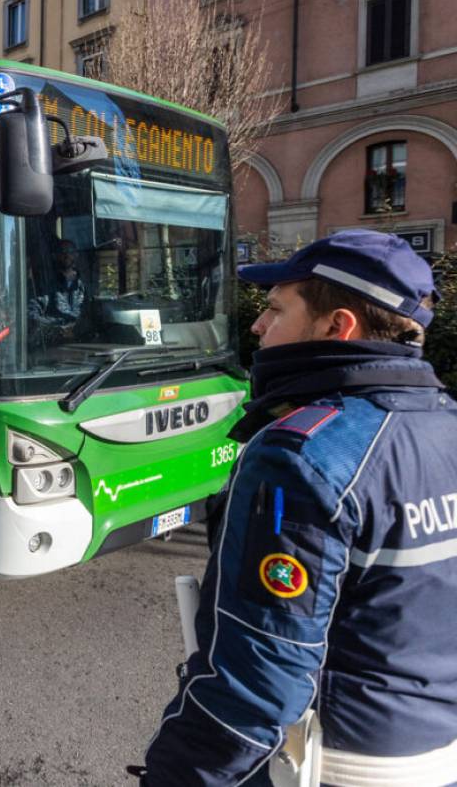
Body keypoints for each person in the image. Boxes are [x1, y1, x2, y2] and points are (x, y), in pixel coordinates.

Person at [141, 230, 457, 787]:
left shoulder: (303, 454)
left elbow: (258, 683)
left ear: (338, 326)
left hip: (338, 764)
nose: (258, 326)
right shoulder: (444, 424)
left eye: (276, 310)